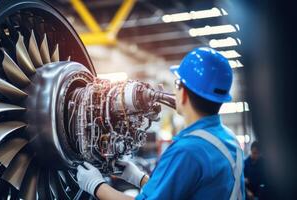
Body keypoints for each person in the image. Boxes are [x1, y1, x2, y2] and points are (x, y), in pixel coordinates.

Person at [76, 47, 245, 200]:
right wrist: (139, 178)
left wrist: (97, 186)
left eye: (177, 84)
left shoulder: (188, 150)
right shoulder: (228, 139)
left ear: (184, 94)